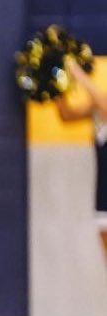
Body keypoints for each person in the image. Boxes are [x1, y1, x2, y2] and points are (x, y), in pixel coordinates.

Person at [54, 56, 107, 260]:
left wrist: (77, 73)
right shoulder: (98, 106)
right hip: (103, 195)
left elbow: (103, 104)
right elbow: (66, 115)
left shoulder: (103, 103)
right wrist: (57, 84)